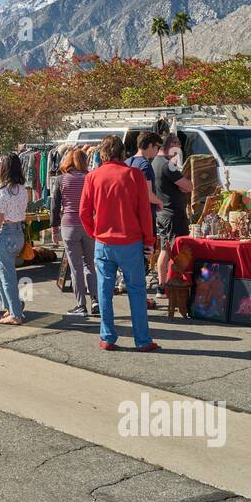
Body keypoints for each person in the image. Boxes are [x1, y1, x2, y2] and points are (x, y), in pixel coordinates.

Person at [80, 136, 158, 352]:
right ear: (123, 152)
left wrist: (95, 233)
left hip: (103, 242)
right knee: (137, 291)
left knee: (104, 290)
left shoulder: (93, 176)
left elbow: (83, 212)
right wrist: (149, 240)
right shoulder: (134, 175)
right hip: (130, 242)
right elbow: (144, 212)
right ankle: (142, 339)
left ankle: (107, 337)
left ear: (102, 153)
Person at [52, 147, 98, 317]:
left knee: (75, 266)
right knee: (90, 264)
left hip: (69, 224)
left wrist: (54, 228)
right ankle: (96, 300)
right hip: (88, 225)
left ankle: (81, 305)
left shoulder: (61, 179)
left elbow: (55, 206)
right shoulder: (90, 178)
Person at [0, 153, 28, 325]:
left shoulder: (3, 192)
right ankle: (13, 306)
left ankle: (15, 313)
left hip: (7, 233)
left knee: (6, 275)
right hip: (18, 232)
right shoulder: (23, 190)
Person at [151, 133, 194, 298]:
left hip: (162, 213)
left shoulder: (154, 162)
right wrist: (184, 184)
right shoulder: (168, 165)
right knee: (177, 251)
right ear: (170, 145)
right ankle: (174, 286)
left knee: (164, 249)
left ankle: (162, 287)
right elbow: (188, 186)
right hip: (173, 214)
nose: (180, 147)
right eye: (177, 143)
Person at [127, 132, 165, 304]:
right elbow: (147, 194)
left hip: (129, 219)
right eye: (157, 147)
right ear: (150, 146)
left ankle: (136, 296)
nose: (157, 151)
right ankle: (140, 299)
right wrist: (159, 201)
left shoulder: (127, 162)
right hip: (144, 219)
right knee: (143, 259)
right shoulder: (145, 165)